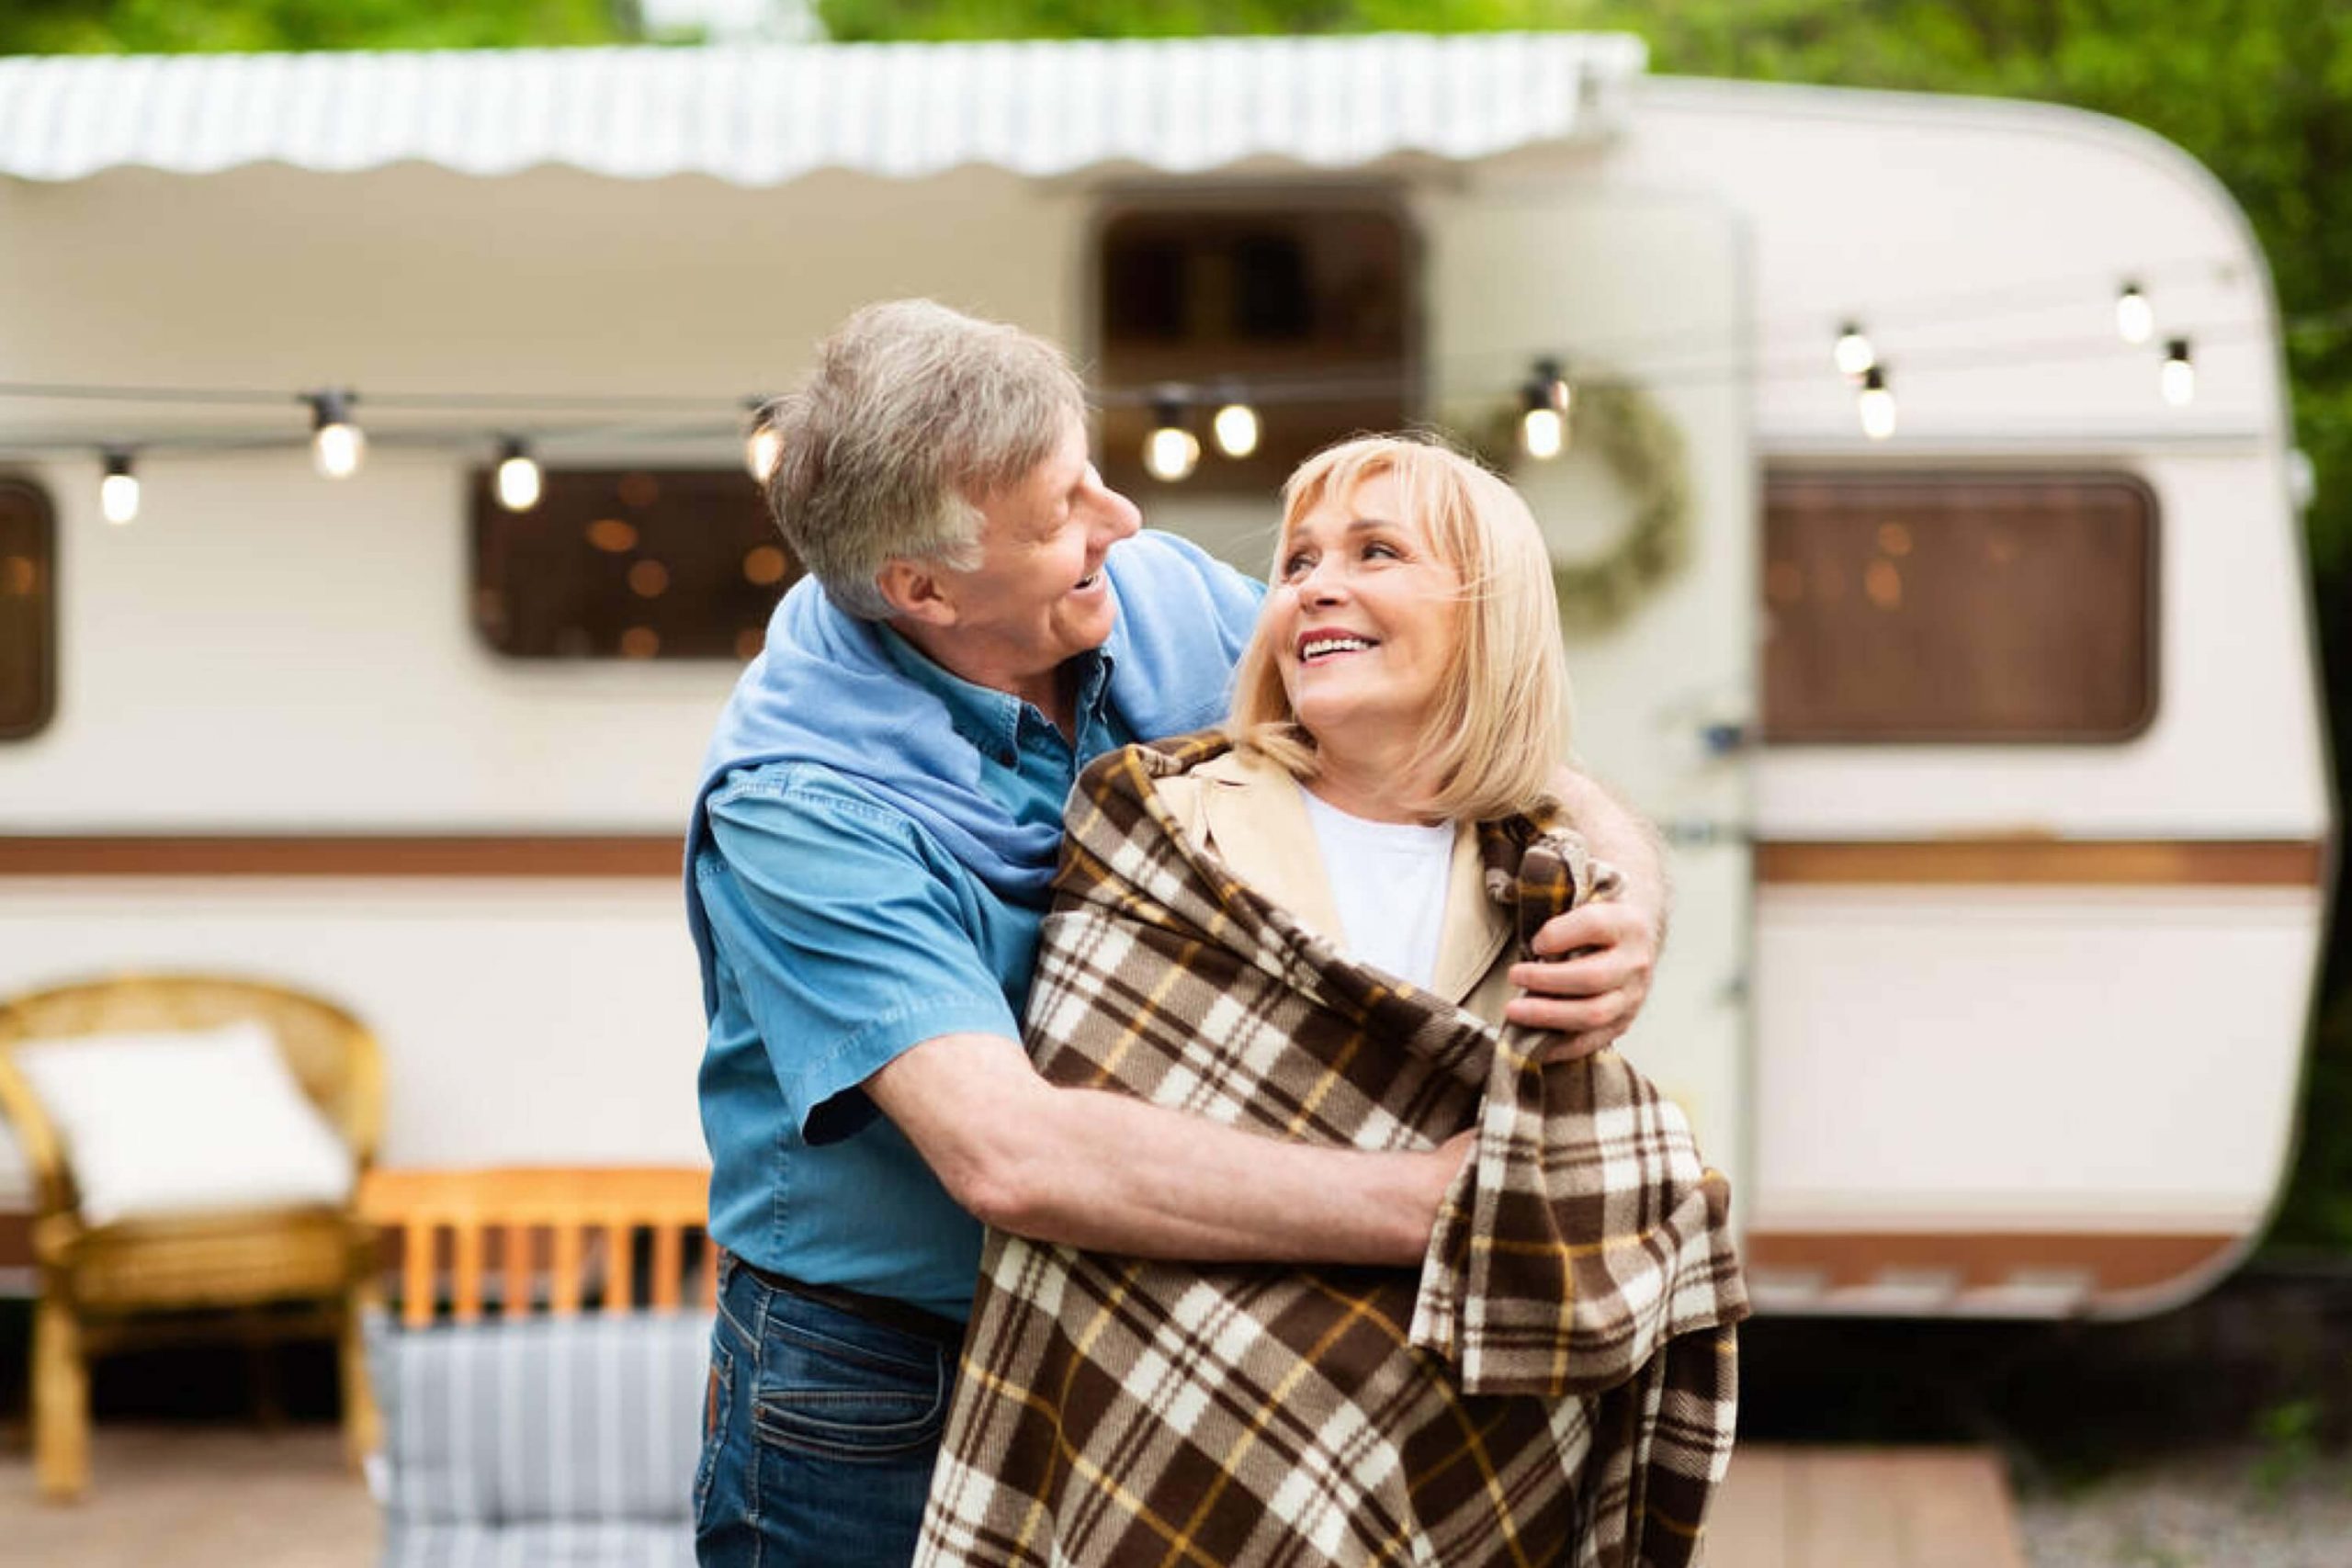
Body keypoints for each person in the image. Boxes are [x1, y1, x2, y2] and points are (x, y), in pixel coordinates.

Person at [684, 302, 1669, 1568]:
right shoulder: (801, 807)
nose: (1123, 523)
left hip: (1136, 1316)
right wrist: (1428, 1203)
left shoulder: (1151, 596)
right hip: (876, 1380)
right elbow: (1012, 1153)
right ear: (922, 588)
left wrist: (1628, 886)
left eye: (1090, 473)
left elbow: (1449, 714)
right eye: (1061, 516)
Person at [915, 434, 1748, 1568]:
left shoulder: (1550, 889)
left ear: (1484, 615)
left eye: (1376, 551)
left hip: (1458, 1459)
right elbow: (1092, 1141)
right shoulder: (1157, 826)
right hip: (1167, 1446)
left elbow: (1569, 1169)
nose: (1315, 584)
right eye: (1300, 560)